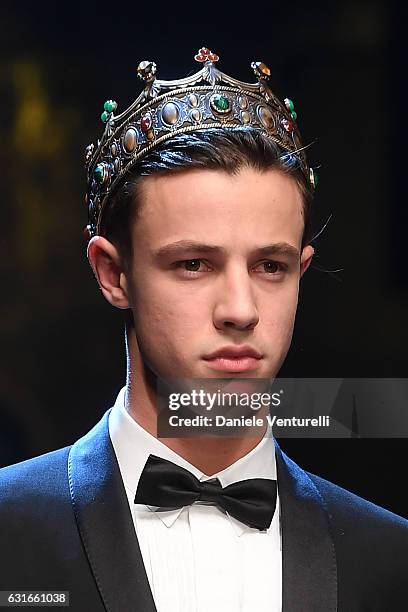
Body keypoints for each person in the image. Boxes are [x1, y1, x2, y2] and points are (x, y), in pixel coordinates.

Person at [0, 46, 407, 612]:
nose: (240, 309)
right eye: (193, 264)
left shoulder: (389, 559)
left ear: (301, 273)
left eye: (271, 266)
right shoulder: (9, 532)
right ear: (113, 274)